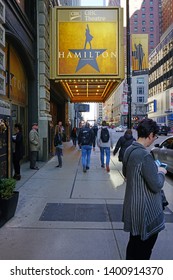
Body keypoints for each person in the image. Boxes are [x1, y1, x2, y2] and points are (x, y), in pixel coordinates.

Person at [122, 118, 167, 260]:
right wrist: (160, 172)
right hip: (146, 212)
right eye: (155, 137)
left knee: (134, 246)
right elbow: (156, 185)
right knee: (144, 251)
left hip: (133, 208)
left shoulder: (130, 149)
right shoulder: (145, 155)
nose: (154, 140)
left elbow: (126, 173)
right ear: (150, 135)